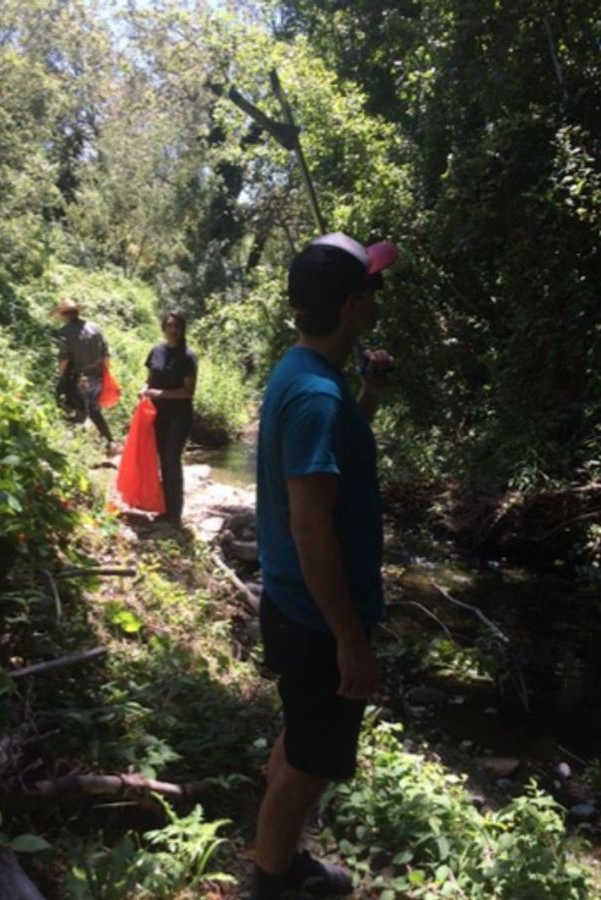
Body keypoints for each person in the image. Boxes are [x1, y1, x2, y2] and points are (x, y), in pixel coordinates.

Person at [253, 232, 398, 899]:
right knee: (309, 766)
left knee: (300, 745)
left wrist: (367, 388)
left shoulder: (317, 378)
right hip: (315, 618)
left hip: (299, 608)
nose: (378, 295)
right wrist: (349, 639)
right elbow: (309, 527)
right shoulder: (313, 395)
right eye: (371, 287)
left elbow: (339, 454)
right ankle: (269, 884)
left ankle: (284, 859)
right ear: (349, 305)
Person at [140, 310, 198, 526]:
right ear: (164, 327)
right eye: (170, 325)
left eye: (177, 326)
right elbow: (149, 379)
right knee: (161, 457)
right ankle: (164, 508)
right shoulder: (156, 351)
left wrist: (162, 394)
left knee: (171, 459)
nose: (173, 330)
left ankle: (175, 515)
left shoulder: (188, 357)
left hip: (179, 414)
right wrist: (144, 389)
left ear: (182, 329)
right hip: (157, 413)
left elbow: (189, 391)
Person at [54, 299, 117, 455]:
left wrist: (61, 377)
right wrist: (104, 374)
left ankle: (74, 451)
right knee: (94, 410)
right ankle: (111, 442)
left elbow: (64, 358)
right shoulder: (95, 328)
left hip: (79, 378)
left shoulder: (65, 332)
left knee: (77, 411)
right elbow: (106, 356)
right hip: (97, 376)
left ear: (63, 315)